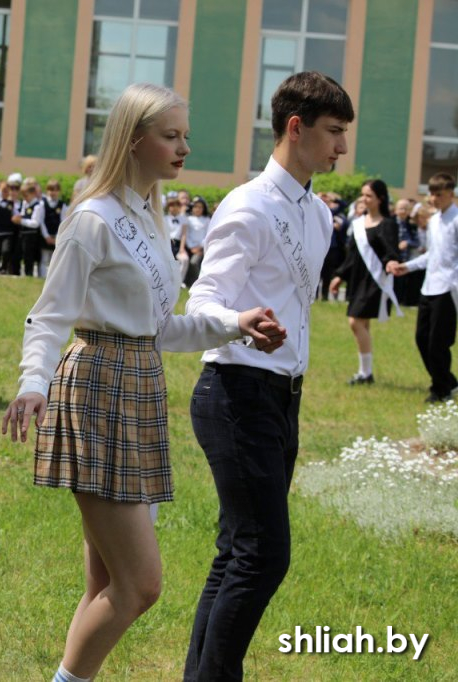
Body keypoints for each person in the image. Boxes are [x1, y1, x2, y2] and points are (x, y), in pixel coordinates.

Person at [1, 83, 286, 682]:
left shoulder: (153, 218)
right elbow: (50, 316)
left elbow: (159, 331)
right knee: (140, 586)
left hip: (139, 386)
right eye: (170, 136)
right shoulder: (94, 218)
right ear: (134, 141)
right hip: (97, 387)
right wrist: (33, 382)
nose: (184, 146)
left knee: (106, 583)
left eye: (185, 134)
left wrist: (235, 323)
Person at [183, 71, 353, 681]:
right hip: (235, 391)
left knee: (238, 552)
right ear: (295, 126)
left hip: (283, 398)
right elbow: (201, 304)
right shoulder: (248, 205)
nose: (341, 148)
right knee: (262, 555)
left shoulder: (318, 216)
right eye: (333, 132)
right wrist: (241, 321)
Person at [391, 173, 458, 403]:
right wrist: (407, 267)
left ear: (451, 193)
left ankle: (440, 390)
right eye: (431, 193)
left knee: (439, 342)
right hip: (429, 286)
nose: (434, 198)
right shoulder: (435, 221)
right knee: (422, 338)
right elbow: (432, 254)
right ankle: (448, 380)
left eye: (439, 194)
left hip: (447, 288)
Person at [328, 179, 401, 385]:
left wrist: (391, 262)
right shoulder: (359, 223)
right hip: (358, 279)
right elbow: (352, 256)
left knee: (355, 321)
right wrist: (340, 275)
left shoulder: (388, 224)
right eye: (363, 195)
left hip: (375, 281)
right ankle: (366, 372)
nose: (364, 199)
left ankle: (365, 373)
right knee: (362, 324)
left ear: (381, 198)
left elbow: (391, 250)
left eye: (369, 195)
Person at [394, 197, 422, 306]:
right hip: (394, 256)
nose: (403, 211)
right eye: (401, 208)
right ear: (396, 210)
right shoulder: (390, 222)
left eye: (406, 209)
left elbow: (417, 242)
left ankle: (401, 301)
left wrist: (408, 243)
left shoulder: (411, 225)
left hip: (406, 257)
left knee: (403, 282)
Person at [13, 177, 44, 277]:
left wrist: (21, 221)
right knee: (18, 254)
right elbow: (23, 213)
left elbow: (35, 223)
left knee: (28, 256)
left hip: (31, 236)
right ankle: (16, 273)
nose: (25, 198)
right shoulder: (25, 203)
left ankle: (28, 274)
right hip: (22, 234)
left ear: (33, 193)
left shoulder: (38, 205)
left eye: (26, 195)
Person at [0, 176, 21, 275]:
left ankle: (3, 268)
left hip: (8, 232)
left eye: (6, 191)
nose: (5, 192)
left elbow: (17, 213)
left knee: (6, 251)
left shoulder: (11, 203)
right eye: (3, 191)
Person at [39, 178, 68, 278]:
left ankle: (51, 279)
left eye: (55, 190)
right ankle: (42, 277)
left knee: (54, 260)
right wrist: (47, 236)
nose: (53, 192)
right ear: (47, 191)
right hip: (45, 236)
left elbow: (63, 221)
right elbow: (41, 221)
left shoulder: (62, 205)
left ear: (59, 191)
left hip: (56, 236)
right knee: (43, 259)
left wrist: (57, 236)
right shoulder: (43, 203)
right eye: (50, 190)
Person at [179, 196, 209, 287]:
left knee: (194, 262)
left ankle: (198, 282)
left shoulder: (207, 220)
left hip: (202, 248)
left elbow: (207, 235)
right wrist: (191, 247)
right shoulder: (188, 219)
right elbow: (185, 234)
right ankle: (186, 281)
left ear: (203, 209)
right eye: (195, 207)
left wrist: (199, 247)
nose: (197, 209)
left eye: (200, 207)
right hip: (189, 247)